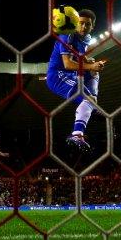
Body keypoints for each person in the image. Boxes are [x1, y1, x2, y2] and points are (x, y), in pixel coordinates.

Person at [46, 8, 105, 151]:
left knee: (94, 74)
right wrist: (90, 65)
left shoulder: (86, 38)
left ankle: (93, 103)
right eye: (81, 23)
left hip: (71, 75)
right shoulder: (67, 36)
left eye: (87, 24)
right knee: (88, 99)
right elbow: (67, 63)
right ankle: (77, 134)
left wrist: (89, 62)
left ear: (93, 26)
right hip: (58, 76)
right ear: (75, 23)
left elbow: (79, 55)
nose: (84, 27)